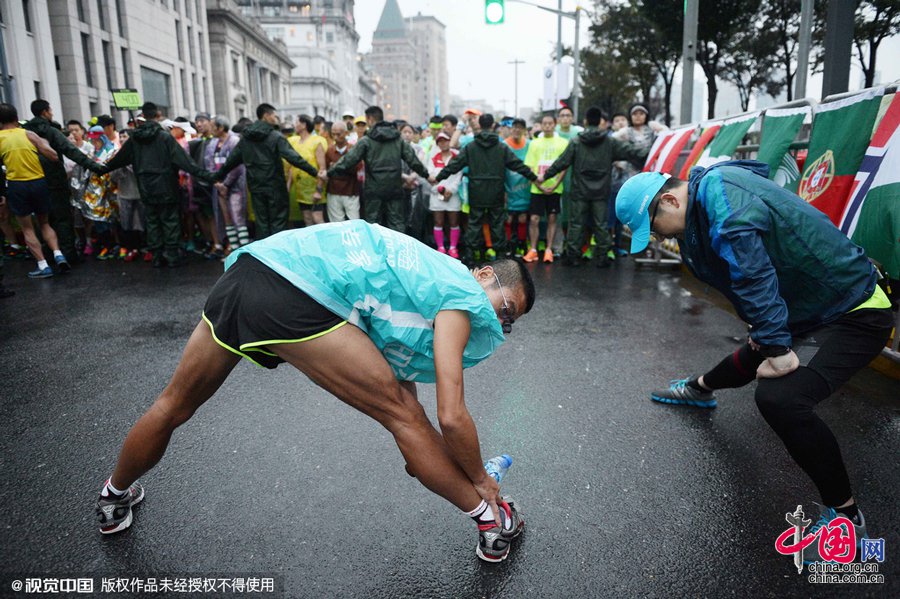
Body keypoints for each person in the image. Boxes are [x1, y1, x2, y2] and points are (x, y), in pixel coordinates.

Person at [95, 219, 534, 563]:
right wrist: (480, 481)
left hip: (249, 272)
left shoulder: (426, 273)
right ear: (483, 274)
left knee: (172, 405)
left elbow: (395, 372)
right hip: (295, 292)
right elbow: (450, 416)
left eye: (509, 322)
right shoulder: (462, 297)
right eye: (505, 306)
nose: (499, 321)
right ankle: (492, 523)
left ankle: (113, 499)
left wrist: (423, 454)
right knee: (404, 416)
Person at [616, 162, 894, 563]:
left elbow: (751, 270)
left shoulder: (722, 193)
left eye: (655, 228)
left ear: (671, 200)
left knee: (780, 398)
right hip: (808, 311)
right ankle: (698, 390)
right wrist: (766, 330)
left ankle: (847, 522)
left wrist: (778, 348)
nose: (659, 237)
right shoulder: (700, 207)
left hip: (854, 311)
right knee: (756, 349)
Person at [101, 102, 215, 268]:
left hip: (145, 187)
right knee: (170, 220)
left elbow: (118, 160)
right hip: (167, 186)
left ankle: (157, 256)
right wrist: (208, 176)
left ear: (143, 116)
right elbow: (184, 161)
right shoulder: (165, 137)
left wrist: (99, 168)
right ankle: (172, 255)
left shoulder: (135, 139)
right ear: (158, 115)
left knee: (152, 220)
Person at [540, 106, 647, 267]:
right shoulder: (610, 142)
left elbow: (562, 162)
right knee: (601, 224)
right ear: (600, 122)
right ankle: (602, 256)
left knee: (576, 224)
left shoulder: (576, 141)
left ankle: (573, 256)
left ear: (585, 121)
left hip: (579, 190)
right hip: (601, 190)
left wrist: (545, 176)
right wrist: (655, 151)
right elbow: (632, 152)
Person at [435, 114, 537, 265]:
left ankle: (470, 255)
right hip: (496, 191)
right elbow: (517, 165)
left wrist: (439, 177)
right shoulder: (501, 147)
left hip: (476, 191)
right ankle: (500, 255)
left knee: (474, 223)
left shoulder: (470, 147)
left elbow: (455, 165)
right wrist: (534, 177)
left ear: (480, 125)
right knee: (497, 223)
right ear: (492, 125)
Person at [212, 103, 318, 239]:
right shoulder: (275, 137)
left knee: (261, 223)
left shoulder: (246, 138)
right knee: (278, 223)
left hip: (255, 187)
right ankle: (278, 250)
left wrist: (216, 176)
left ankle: (264, 251)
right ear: (266, 116)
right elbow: (294, 158)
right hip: (275, 187)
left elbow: (231, 161)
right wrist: (314, 172)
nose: (276, 118)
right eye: (274, 115)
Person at [323, 106, 430, 233]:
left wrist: (329, 173)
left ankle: (376, 246)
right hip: (394, 188)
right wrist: (427, 176)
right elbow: (413, 161)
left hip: (373, 189)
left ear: (369, 119)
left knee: (373, 225)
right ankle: (396, 246)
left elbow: (348, 161)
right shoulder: (397, 140)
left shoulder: (367, 140)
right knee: (396, 224)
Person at [25, 99, 104, 262]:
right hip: (55, 181)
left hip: (33, 180)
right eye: (50, 110)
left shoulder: (24, 133)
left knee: (42, 220)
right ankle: (68, 254)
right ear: (45, 112)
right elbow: (71, 151)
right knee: (62, 218)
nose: (52, 113)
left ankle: (49, 254)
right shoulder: (52, 131)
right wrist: (96, 167)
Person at [0, 103, 64, 278]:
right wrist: (42, 145)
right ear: (16, 118)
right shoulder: (29, 134)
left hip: (17, 185)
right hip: (38, 182)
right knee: (45, 223)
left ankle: (43, 265)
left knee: (27, 228)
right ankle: (58, 254)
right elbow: (53, 156)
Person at [523, 114, 569, 263]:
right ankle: (533, 250)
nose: (547, 126)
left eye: (550, 123)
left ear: (555, 124)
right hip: (537, 189)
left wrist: (556, 184)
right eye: (545, 123)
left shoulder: (563, 143)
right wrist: (539, 185)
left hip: (555, 188)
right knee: (534, 219)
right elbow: (530, 167)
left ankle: (549, 250)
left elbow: (564, 167)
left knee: (552, 218)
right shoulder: (534, 143)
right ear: (541, 125)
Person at [205, 115, 249, 252]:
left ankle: (244, 251)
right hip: (219, 186)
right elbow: (209, 163)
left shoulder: (234, 141)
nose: (211, 129)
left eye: (213, 126)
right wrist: (217, 181)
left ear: (221, 127)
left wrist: (226, 184)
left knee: (238, 217)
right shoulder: (213, 143)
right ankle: (234, 249)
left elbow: (237, 166)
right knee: (227, 218)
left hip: (235, 185)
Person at [288, 114, 327, 226]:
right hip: (301, 190)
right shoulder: (295, 142)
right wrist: (288, 186)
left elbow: (322, 168)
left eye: (297, 122)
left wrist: (318, 191)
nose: (295, 125)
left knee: (317, 218)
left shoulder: (316, 141)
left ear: (304, 125)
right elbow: (292, 167)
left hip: (314, 188)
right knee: (307, 218)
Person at [428, 131, 462, 256]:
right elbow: (430, 176)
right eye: (440, 141)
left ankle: (453, 248)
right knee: (438, 222)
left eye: (445, 140)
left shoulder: (457, 156)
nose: (443, 143)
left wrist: (451, 190)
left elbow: (459, 176)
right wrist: (439, 189)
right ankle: (440, 247)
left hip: (453, 195)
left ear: (450, 141)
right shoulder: (433, 157)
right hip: (436, 195)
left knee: (454, 222)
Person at [503, 118, 532, 256]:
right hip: (508, 187)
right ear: (510, 129)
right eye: (514, 127)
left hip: (525, 188)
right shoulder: (504, 145)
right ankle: (509, 245)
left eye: (520, 127)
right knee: (508, 218)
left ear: (524, 130)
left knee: (522, 218)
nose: (517, 130)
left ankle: (522, 244)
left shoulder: (530, 145)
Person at [323, 120, 361, 222]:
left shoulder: (353, 150)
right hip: (333, 191)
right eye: (333, 134)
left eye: (338, 134)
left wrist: (336, 167)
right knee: (336, 223)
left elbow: (358, 168)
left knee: (354, 221)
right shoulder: (330, 150)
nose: (335, 137)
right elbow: (326, 170)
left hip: (351, 192)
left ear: (346, 133)